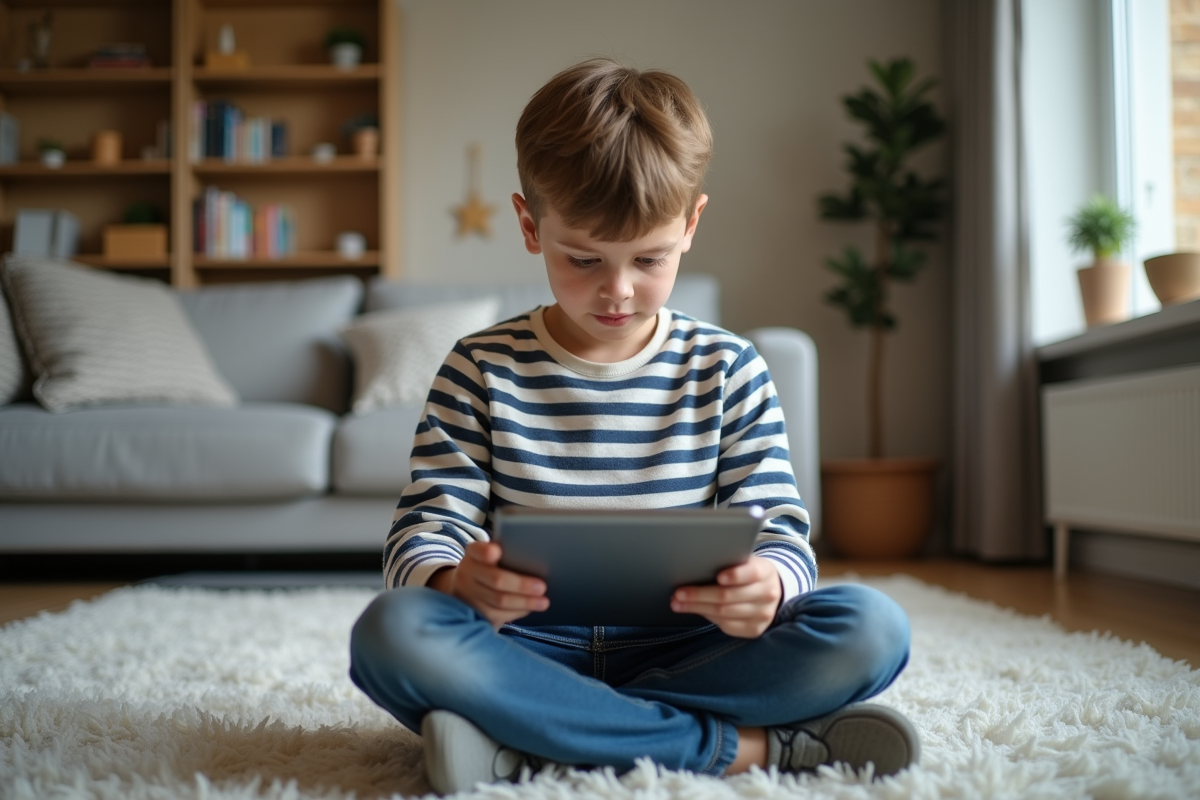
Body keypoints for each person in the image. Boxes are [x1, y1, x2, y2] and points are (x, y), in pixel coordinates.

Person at [349, 57, 917, 795]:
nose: (618, 291)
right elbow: (422, 532)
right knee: (390, 634)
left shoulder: (729, 368)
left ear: (691, 225)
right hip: (524, 648)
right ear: (530, 225)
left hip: (693, 649)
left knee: (871, 627)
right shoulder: (479, 368)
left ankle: (533, 742)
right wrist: (458, 581)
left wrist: (769, 586)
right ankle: (749, 751)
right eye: (583, 259)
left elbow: (780, 525)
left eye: (648, 258)